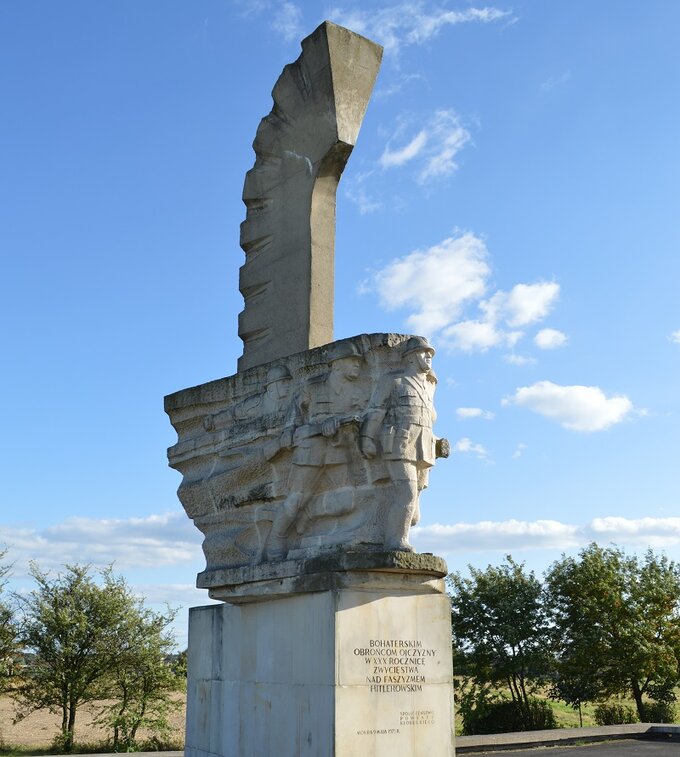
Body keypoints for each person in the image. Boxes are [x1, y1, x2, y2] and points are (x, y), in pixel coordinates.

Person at [265, 341, 365, 559]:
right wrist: (293, 433)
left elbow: (355, 429)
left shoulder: (356, 393)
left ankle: (308, 515)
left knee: (347, 501)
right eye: (352, 360)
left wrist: (341, 429)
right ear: (337, 364)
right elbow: (292, 421)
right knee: (297, 498)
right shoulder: (313, 387)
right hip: (310, 450)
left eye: (358, 361)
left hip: (337, 450)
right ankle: (277, 538)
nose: (357, 364)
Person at [360, 336, 447, 551]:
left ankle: (391, 531)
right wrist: (367, 437)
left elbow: (425, 420)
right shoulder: (394, 381)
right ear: (410, 357)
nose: (428, 356)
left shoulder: (427, 389)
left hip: (424, 447)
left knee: (415, 510)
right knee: (406, 493)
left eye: (431, 354)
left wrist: (438, 443)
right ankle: (395, 542)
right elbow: (376, 411)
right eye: (423, 352)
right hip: (399, 443)